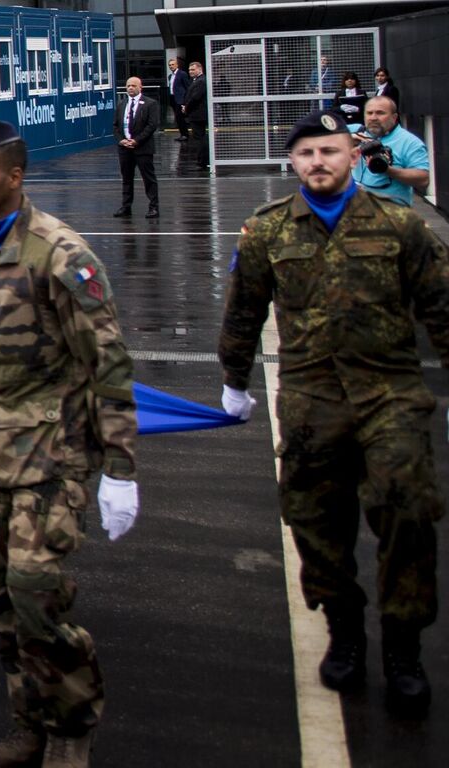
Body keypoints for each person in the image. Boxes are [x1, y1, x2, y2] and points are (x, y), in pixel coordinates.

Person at [221, 109, 448, 717]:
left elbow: (442, 307)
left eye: (329, 150)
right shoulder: (267, 230)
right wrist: (234, 379)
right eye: (306, 153)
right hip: (311, 399)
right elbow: (243, 310)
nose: (317, 161)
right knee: (316, 523)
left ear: (352, 155)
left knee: (407, 513)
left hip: (389, 395)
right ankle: (345, 631)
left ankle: (403, 648)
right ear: (292, 163)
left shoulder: (401, 225)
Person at [0, 120, 140, 768]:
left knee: (36, 598)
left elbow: (107, 362)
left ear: (14, 178)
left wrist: (120, 468)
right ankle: (28, 722)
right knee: (0, 602)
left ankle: (71, 728)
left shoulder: (60, 254)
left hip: (50, 458)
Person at [351, 96, 430, 207]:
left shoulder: (409, 142)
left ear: (394, 117)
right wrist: (346, 140)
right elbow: (325, 127)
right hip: (356, 211)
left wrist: (387, 170)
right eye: (369, 113)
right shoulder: (357, 132)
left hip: (392, 213)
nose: (373, 118)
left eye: (380, 113)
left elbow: (423, 179)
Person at [113, 76, 159, 219]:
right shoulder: (122, 104)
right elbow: (115, 126)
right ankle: (126, 206)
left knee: (148, 178)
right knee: (126, 178)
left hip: (142, 148)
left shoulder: (150, 104)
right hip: (125, 148)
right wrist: (121, 140)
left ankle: (153, 207)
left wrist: (136, 141)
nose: (130, 88)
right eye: (128, 86)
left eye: (133, 86)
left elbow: (152, 125)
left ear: (140, 87)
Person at [182, 62, 210, 170]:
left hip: (198, 115)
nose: (190, 72)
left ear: (200, 69)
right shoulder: (197, 80)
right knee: (199, 137)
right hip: (196, 113)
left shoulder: (201, 81)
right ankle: (202, 161)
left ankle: (202, 162)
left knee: (199, 138)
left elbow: (195, 98)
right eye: (189, 70)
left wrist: (186, 107)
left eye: (193, 70)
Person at [165, 58, 192, 142]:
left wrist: (185, 99)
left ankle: (185, 134)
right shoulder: (170, 76)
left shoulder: (182, 74)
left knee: (180, 117)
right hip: (173, 98)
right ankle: (182, 134)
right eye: (170, 65)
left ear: (177, 65)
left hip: (180, 99)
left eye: (173, 64)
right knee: (177, 117)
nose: (171, 66)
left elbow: (187, 86)